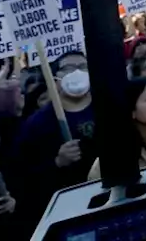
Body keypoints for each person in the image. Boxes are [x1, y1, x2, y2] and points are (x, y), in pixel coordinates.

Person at [15, 51, 98, 230]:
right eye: (68, 68)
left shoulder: (108, 107)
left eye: (83, 67)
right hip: (70, 210)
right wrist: (57, 163)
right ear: (54, 78)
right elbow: (24, 178)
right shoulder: (38, 124)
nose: (77, 72)